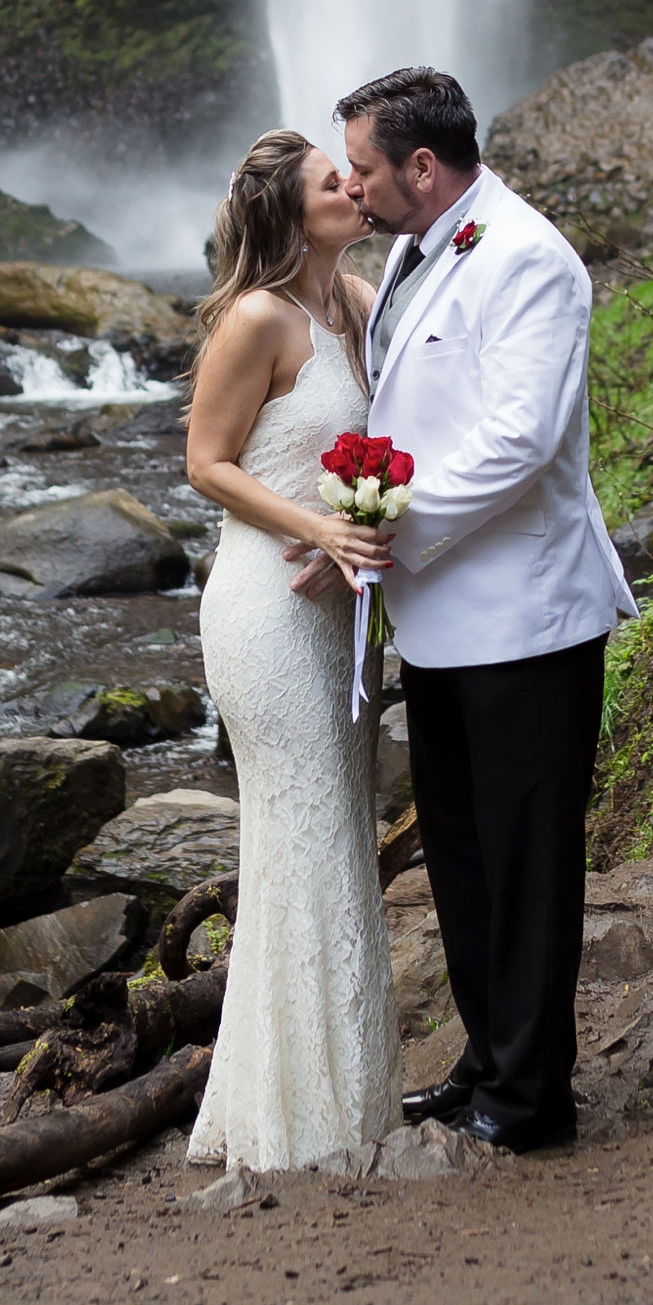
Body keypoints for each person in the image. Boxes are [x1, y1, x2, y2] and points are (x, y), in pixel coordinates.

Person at [335, 65, 638, 1153]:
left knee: (527, 859)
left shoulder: (526, 258)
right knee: (460, 854)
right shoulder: (415, 252)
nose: (349, 185)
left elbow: (520, 438)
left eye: (362, 167)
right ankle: (484, 1060)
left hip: (523, 619)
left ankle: (531, 1097)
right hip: (442, 619)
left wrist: (390, 528)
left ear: (422, 166)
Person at [181, 129, 401, 1172]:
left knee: (334, 833)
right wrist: (317, 529)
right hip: (264, 612)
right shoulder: (256, 319)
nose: (353, 186)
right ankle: (299, 1123)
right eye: (331, 181)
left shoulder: (356, 303)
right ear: (287, 211)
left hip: (338, 609)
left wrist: (366, 523)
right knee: (302, 829)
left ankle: (338, 1094)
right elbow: (205, 463)